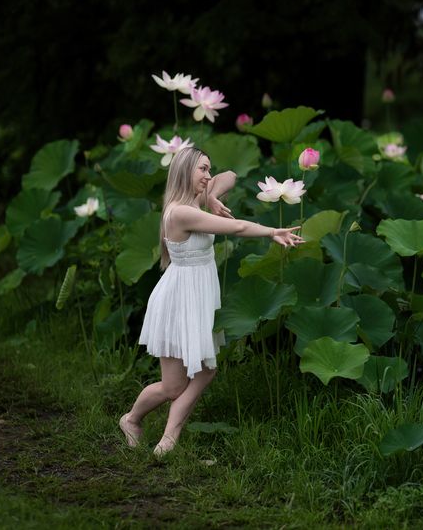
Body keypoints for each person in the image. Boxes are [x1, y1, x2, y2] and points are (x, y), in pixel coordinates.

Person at [118, 147, 304, 456]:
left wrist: (212, 195)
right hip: (180, 300)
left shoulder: (195, 201)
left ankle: (168, 439)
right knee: (173, 386)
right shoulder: (181, 211)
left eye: (208, 169)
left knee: (205, 371)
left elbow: (229, 176)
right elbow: (239, 227)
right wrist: (272, 231)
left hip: (198, 296)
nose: (208, 175)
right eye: (202, 170)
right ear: (184, 172)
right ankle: (131, 419)